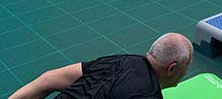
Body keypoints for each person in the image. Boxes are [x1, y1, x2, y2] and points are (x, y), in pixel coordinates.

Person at [9, 33, 193, 99]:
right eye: (187, 65)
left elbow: (48, 79)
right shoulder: (148, 95)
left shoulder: (121, 60)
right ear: (172, 68)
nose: (186, 71)